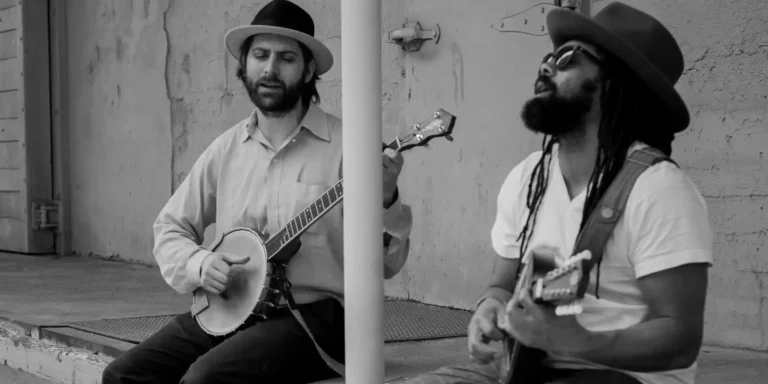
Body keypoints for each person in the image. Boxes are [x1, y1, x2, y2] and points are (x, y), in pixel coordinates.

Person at [101, 1, 413, 383]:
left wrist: (384, 197)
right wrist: (201, 264)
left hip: (315, 320)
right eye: (261, 55)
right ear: (244, 65)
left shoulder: (351, 148)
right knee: (123, 375)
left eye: (286, 58)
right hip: (233, 308)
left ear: (308, 70)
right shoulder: (226, 149)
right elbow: (170, 228)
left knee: (204, 380)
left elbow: (388, 264)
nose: (270, 69)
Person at [402, 3, 711, 384]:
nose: (546, 66)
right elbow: (502, 283)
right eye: (549, 57)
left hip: (623, 376)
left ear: (616, 83)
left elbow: (680, 339)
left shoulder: (658, 189)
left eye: (567, 59)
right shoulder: (528, 177)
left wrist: (578, 341)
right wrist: (489, 307)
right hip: (527, 367)